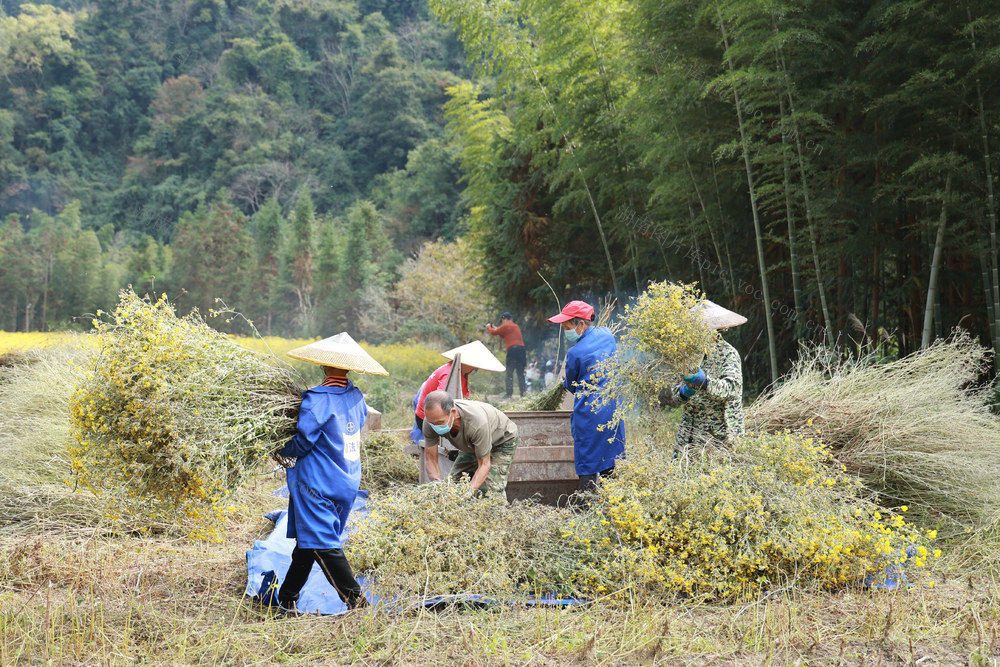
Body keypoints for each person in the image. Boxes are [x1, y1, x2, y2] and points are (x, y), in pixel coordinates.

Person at [274, 333, 389, 614]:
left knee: (323, 542)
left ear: (323, 366)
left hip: (318, 481)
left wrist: (282, 449)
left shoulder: (317, 399)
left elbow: (303, 441)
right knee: (310, 539)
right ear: (348, 367)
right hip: (347, 478)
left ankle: (358, 605)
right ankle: (287, 600)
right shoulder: (356, 396)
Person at [548, 300, 625, 492]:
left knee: (588, 461)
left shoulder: (575, 352)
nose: (566, 332)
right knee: (609, 456)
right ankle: (614, 504)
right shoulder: (608, 334)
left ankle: (586, 507)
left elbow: (571, 385)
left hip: (590, 414)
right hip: (612, 408)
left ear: (581, 324)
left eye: (567, 327)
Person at [660, 300, 746, 449]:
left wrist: (705, 382)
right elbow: (674, 397)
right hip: (690, 434)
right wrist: (683, 392)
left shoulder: (727, 353)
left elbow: (732, 389)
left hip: (720, 433)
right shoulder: (686, 356)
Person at [421, 390, 519, 499]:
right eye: (432, 423)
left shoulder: (477, 424)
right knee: (453, 484)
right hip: (473, 443)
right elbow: (431, 459)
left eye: (439, 423)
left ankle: (498, 511)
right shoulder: (430, 421)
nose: (435, 426)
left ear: (453, 413)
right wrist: (437, 485)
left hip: (501, 439)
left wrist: (467, 493)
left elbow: (484, 465)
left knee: (488, 491)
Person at [412, 340, 505, 434]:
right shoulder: (450, 374)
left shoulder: (461, 373)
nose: (476, 369)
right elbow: (440, 403)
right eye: (475, 367)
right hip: (429, 420)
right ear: (468, 363)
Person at [486, 312, 527, 398]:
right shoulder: (516, 326)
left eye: (502, 320)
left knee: (509, 372)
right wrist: (497, 328)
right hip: (521, 350)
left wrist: (488, 327)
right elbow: (503, 333)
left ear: (505, 319)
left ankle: (509, 394)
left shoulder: (505, 326)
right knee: (521, 373)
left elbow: (494, 332)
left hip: (512, 351)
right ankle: (523, 394)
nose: (502, 322)